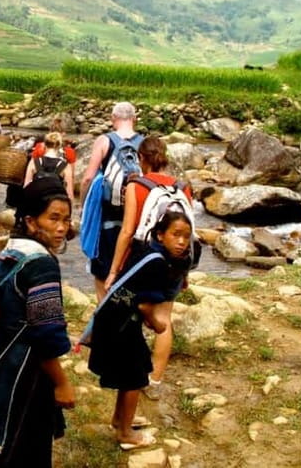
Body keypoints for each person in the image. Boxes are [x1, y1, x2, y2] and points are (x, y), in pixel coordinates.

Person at [0, 177, 76, 468]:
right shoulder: (41, 264)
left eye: (66, 219)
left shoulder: (10, 253)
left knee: (3, 449)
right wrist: (62, 383)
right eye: (53, 218)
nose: (61, 227)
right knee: (25, 452)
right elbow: (47, 334)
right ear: (31, 221)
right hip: (25, 378)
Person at [96, 136, 196, 421]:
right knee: (164, 321)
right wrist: (185, 273)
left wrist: (114, 271)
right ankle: (154, 381)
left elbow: (127, 231)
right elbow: (187, 231)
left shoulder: (138, 185)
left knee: (138, 318)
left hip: (148, 261)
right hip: (175, 263)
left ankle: (135, 375)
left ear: (141, 158)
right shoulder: (182, 187)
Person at [87, 209, 195, 450]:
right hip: (120, 322)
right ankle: (125, 433)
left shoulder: (149, 253)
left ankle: (119, 419)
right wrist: (157, 324)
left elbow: (135, 295)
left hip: (115, 317)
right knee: (135, 376)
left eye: (186, 237)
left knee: (130, 373)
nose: (181, 242)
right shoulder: (158, 264)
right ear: (160, 235)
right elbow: (146, 305)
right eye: (175, 234)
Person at [79, 101, 141, 301]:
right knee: (128, 265)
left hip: (107, 215)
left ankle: (103, 308)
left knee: (102, 268)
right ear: (134, 119)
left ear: (113, 119)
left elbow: (88, 177)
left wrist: (83, 205)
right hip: (135, 217)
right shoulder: (144, 143)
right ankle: (125, 309)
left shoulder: (105, 141)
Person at [23, 132, 75, 204]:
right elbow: (69, 195)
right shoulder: (66, 166)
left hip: (35, 204)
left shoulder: (34, 162)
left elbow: (26, 187)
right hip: (54, 205)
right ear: (60, 146)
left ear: (44, 145)